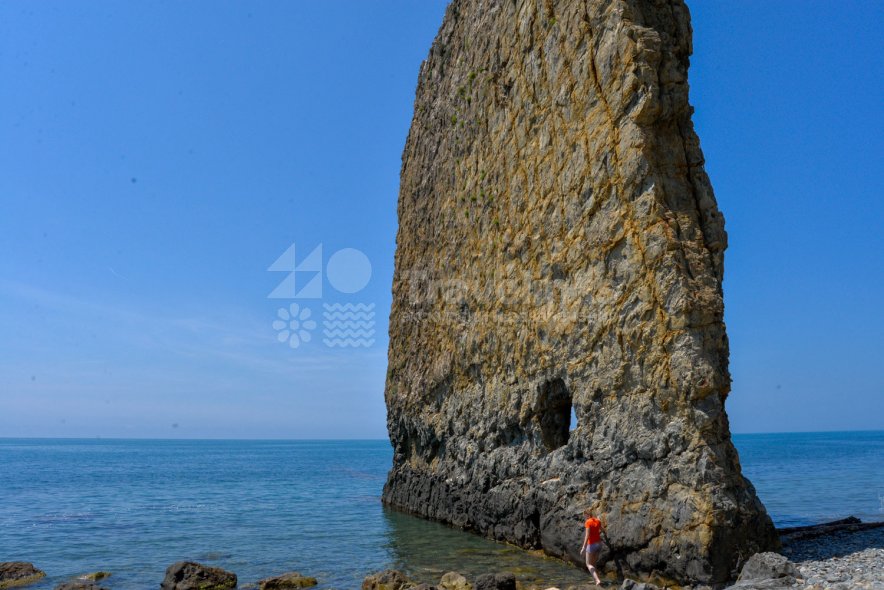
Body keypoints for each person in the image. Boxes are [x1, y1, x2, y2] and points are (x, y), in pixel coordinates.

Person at [580, 508, 603, 585]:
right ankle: (595, 579)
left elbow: (587, 535)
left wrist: (583, 547)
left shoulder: (588, 522)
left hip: (591, 545)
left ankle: (597, 580)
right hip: (599, 544)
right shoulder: (598, 521)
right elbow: (602, 530)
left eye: (584, 515)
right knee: (593, 563)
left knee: (588, 564)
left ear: (587, 515)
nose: (584, 517)